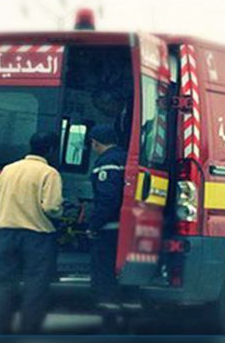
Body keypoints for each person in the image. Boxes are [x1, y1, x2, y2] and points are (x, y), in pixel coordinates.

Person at [0, 132, 63, 334]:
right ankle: (28, 330)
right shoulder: (50, 173)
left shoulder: (8, 169)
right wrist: (62, 212)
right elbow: (51, 207)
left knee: (3, 284)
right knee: (35, 284)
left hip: (5, 232)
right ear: (51, 150)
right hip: (37, 236)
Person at [86, 125, 127, 310]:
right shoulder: (125, 158)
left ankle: (106, 307)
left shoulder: (106, 162)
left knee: (103, 269)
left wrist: (93, 224)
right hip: (124, 224)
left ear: (95, 142)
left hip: (109, 227)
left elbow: (107, 198)